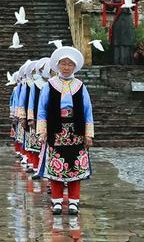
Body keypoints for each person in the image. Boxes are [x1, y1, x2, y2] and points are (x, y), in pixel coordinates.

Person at [37, 47, 94, 215]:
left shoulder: (80, 86)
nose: (66, 67)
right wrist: (42, 131)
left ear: (74, 67)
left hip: (76, 131)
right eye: (63, 64)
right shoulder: (50, 85)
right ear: (58, 65)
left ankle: (74, 202)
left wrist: (88, 134)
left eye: (70, 64)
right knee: (57, 167)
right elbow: (42, 109)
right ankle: (57, 200)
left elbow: (87, 110)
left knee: (75, 166)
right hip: (56, 130)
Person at [26, 58, 51, 176]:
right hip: (37, 116)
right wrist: (30, 118)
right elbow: (31, 101)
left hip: (51, 118)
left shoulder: (54, 84)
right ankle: (36, 166)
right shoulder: (35, 85)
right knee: (36, 143)